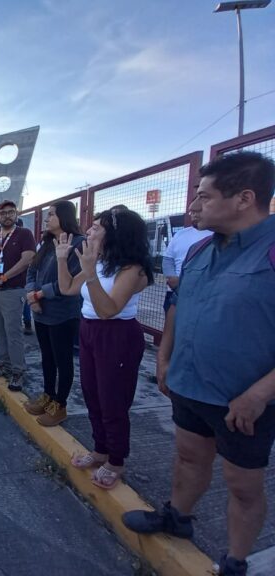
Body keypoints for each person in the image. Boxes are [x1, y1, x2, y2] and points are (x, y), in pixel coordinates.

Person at [123, 152, 275, 576]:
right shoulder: (200, 250)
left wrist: (260, 393)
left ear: (244, 198)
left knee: (242, 486)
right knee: (188, 457)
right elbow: (178, 308)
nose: (196, 205)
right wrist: (166, 358)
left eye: (205, 196)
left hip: (243, 400)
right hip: (189, 384)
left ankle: (236, 560)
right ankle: (177, 517)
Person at [56, 208, 152, 490]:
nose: (90, 231)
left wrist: (90, 273)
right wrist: (63, 260)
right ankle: (100, 449)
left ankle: (116, 459)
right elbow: (68, 289)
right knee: (91, 393)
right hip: (89, 329)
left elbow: (109, 310)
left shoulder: (132, 269)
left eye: (97, 227)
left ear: (116, 234)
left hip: (117, 335)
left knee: (113, 400)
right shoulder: (98, 262)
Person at [25, 200, 85, 427]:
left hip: (62, 314)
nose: (47, 219)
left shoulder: (79, 244)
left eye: (51, 215)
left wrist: (39, 295)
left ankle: (60, 405)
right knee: (47, 357)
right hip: (40, 312)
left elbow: (68, 284)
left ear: (64, 217)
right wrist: (32, 295)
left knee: (63, 360)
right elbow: (31, 272)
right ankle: (48, 395)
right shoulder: (47, 243)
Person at [0, 200, 36, 391]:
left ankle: (18, 371)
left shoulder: (24, 234)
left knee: (13, 332)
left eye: (11, 212)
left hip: (12, 291)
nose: (7, 216)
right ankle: (3, 364)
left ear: (16, 214)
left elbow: (27, 258)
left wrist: (4, 277)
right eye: (3, 213)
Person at [160, 219, 212, 313]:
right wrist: (173, 279)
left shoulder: (217, 235)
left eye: (199, 209)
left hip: (204, 294)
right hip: (174, 291)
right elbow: (168, 259)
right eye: (192, 212)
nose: (194, 213)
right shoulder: (180, 234)